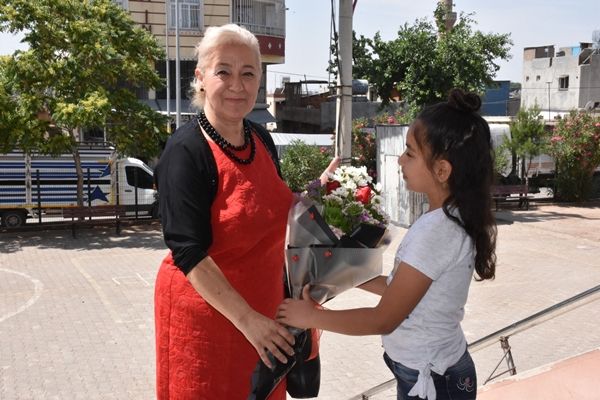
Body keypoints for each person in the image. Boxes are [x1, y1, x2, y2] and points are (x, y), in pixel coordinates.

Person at [153, 24, 338, 399]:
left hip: (265, 317)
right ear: (202, 78)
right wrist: (249, 322)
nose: (237, 84)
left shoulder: (260, 138)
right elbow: (189, 253)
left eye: (248, 72)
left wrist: (320, 196)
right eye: (224, 71)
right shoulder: (185, 152)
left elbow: (274, 212)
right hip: (209, 321)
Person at [277, 89, 497, 400]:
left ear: (442, 170)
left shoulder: (437, 232)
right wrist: (342, 274)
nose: (400, 160)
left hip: (434, 380)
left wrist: (310, 317)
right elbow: (403, 291)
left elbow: (384, 318)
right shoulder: (448, 220)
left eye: (410, 153)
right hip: (432, 371)